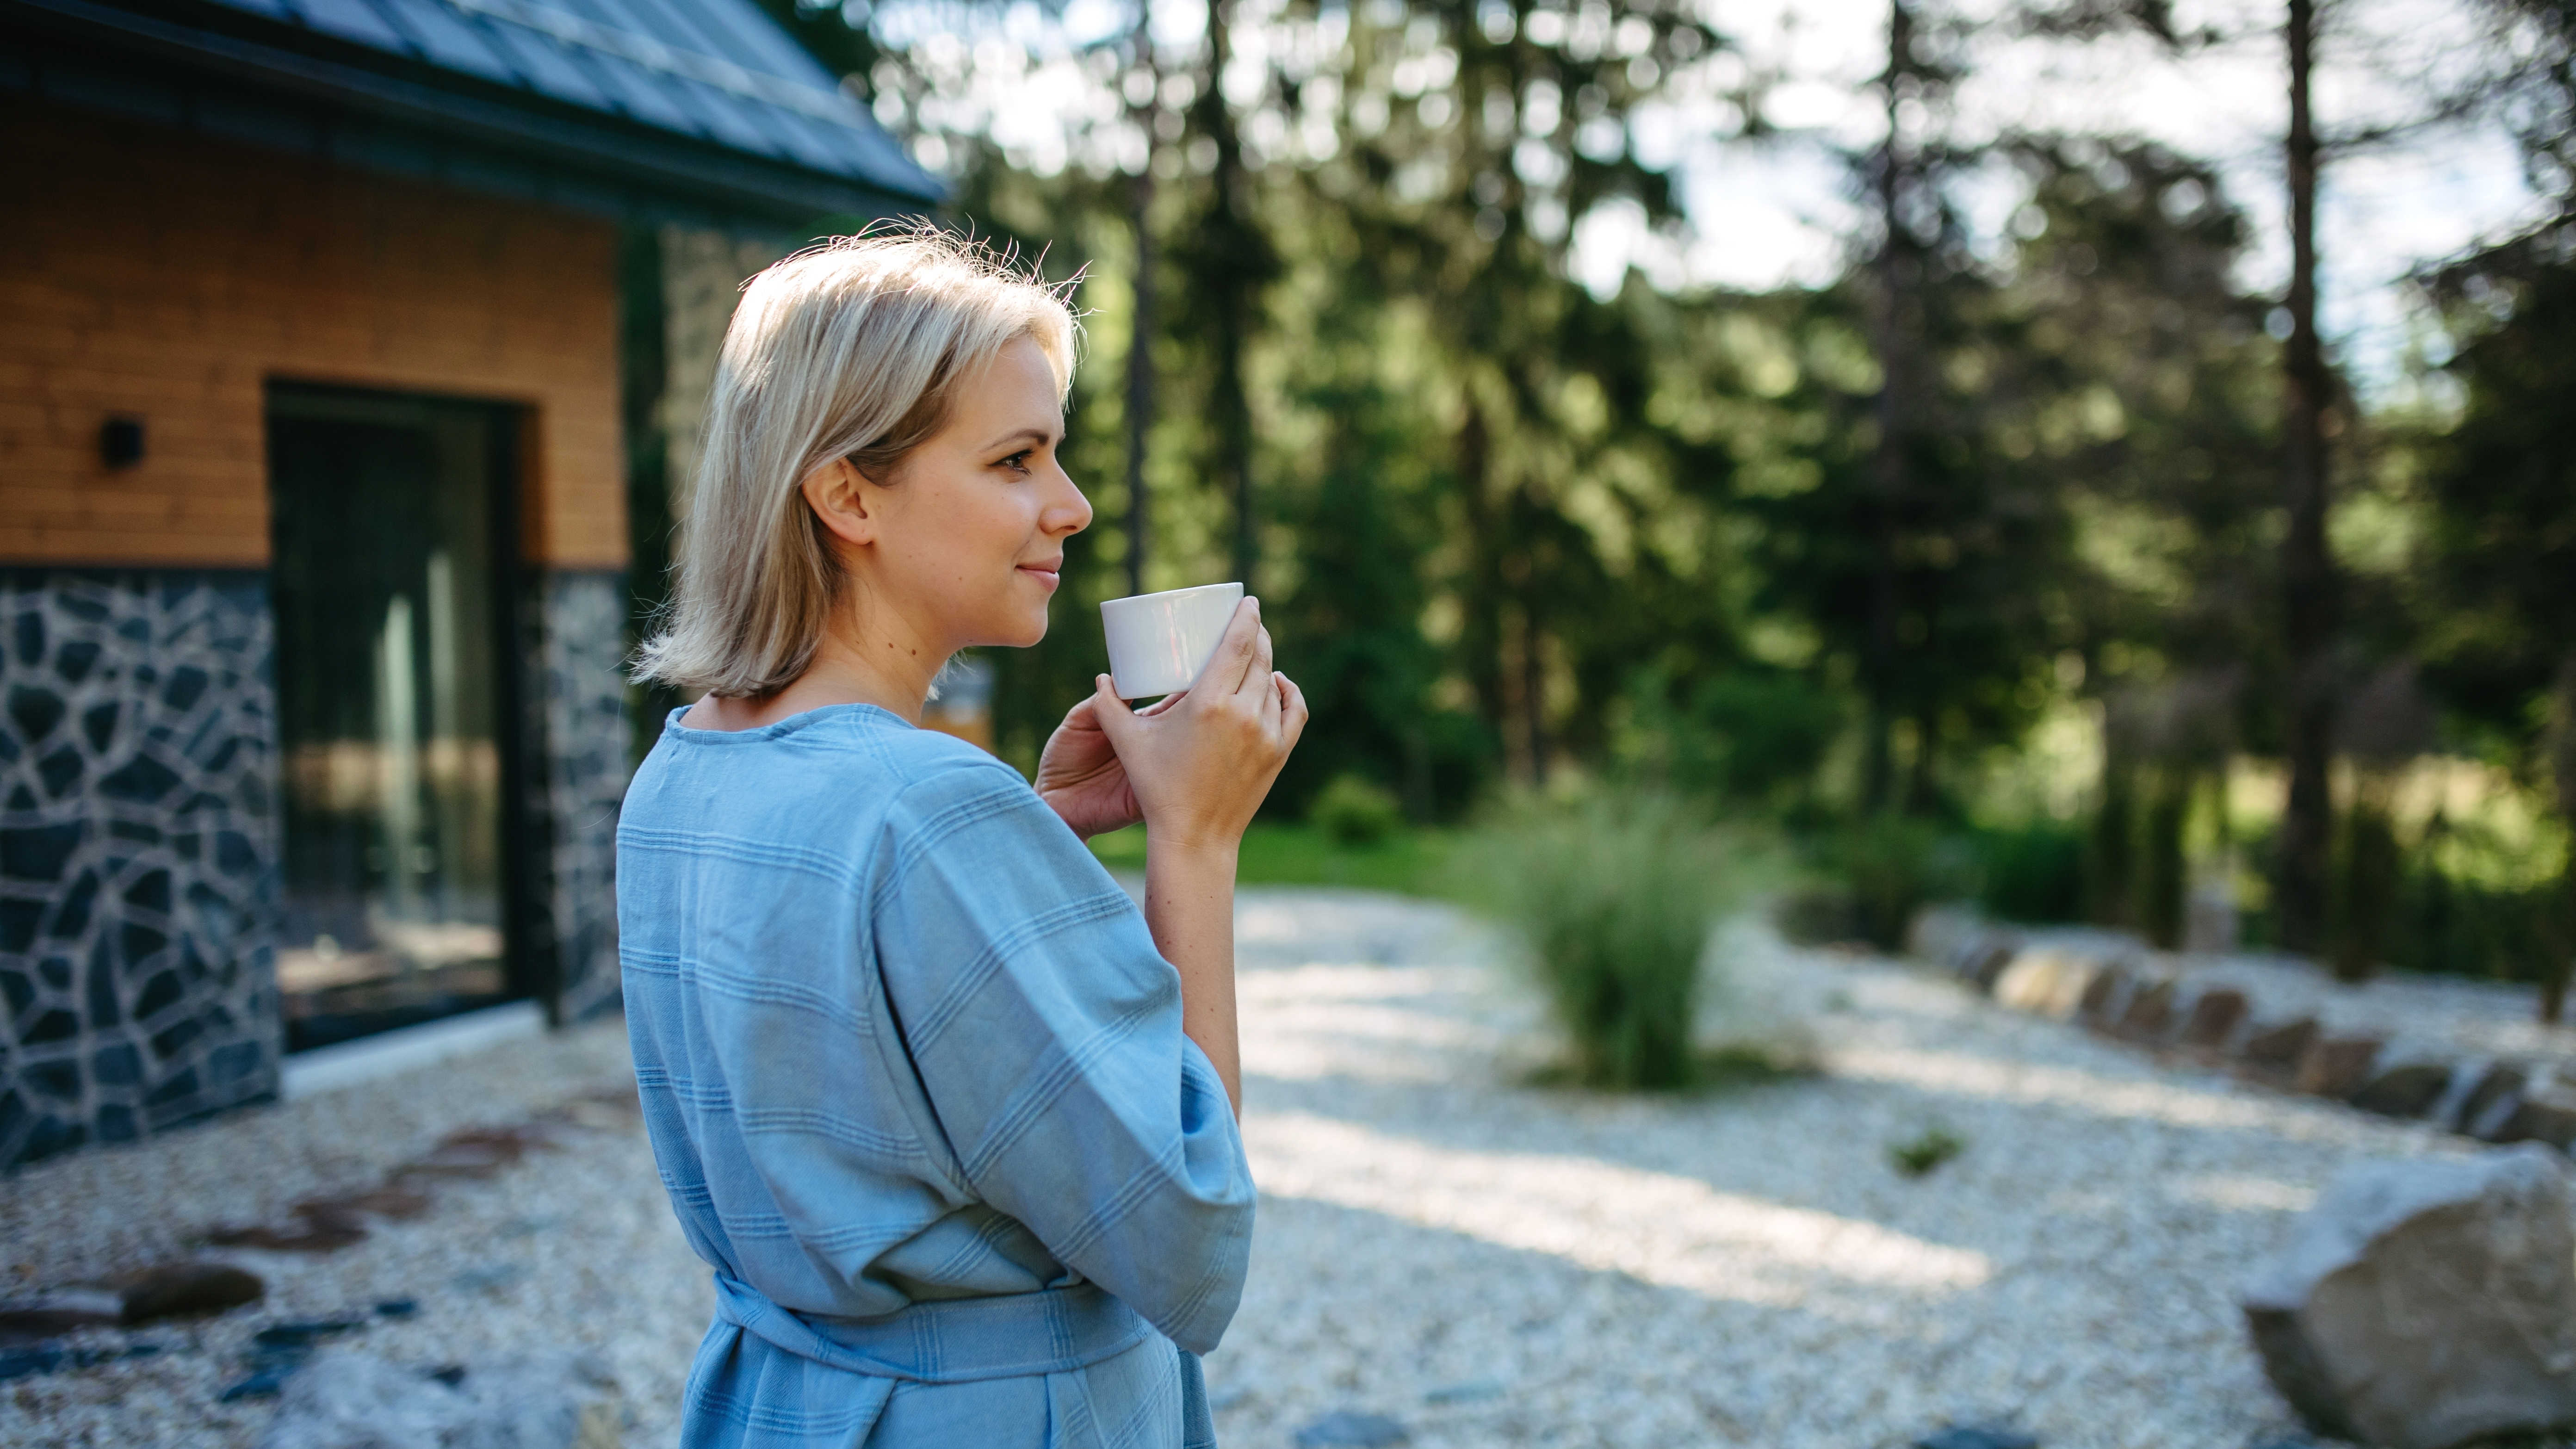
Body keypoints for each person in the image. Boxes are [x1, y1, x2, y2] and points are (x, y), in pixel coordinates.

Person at [618, 227, 1306, 1449]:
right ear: (846, 493)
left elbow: (865, 1051)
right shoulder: (926, 810)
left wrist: (1032, 845)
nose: (1071, 504)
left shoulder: (683, 770)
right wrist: (1195, 842)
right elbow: (1188, 1228)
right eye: (1014, 459)